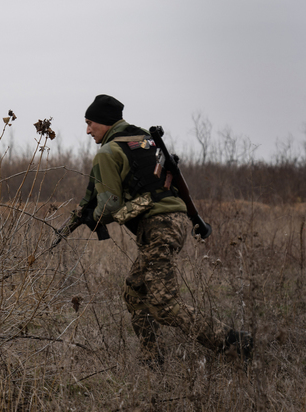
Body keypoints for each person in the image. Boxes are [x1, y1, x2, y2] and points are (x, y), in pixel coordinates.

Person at [78, 94, 252, 365]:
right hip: (173, 221)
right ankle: (151, 359)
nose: (88, 130)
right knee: (134, 291)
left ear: (104, 122)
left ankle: (235, 344)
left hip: (158, 226)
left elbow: (110, 205)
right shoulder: (144, 139)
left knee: (164, 305)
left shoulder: (109, 152)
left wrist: (93, 218)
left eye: (90, 123)